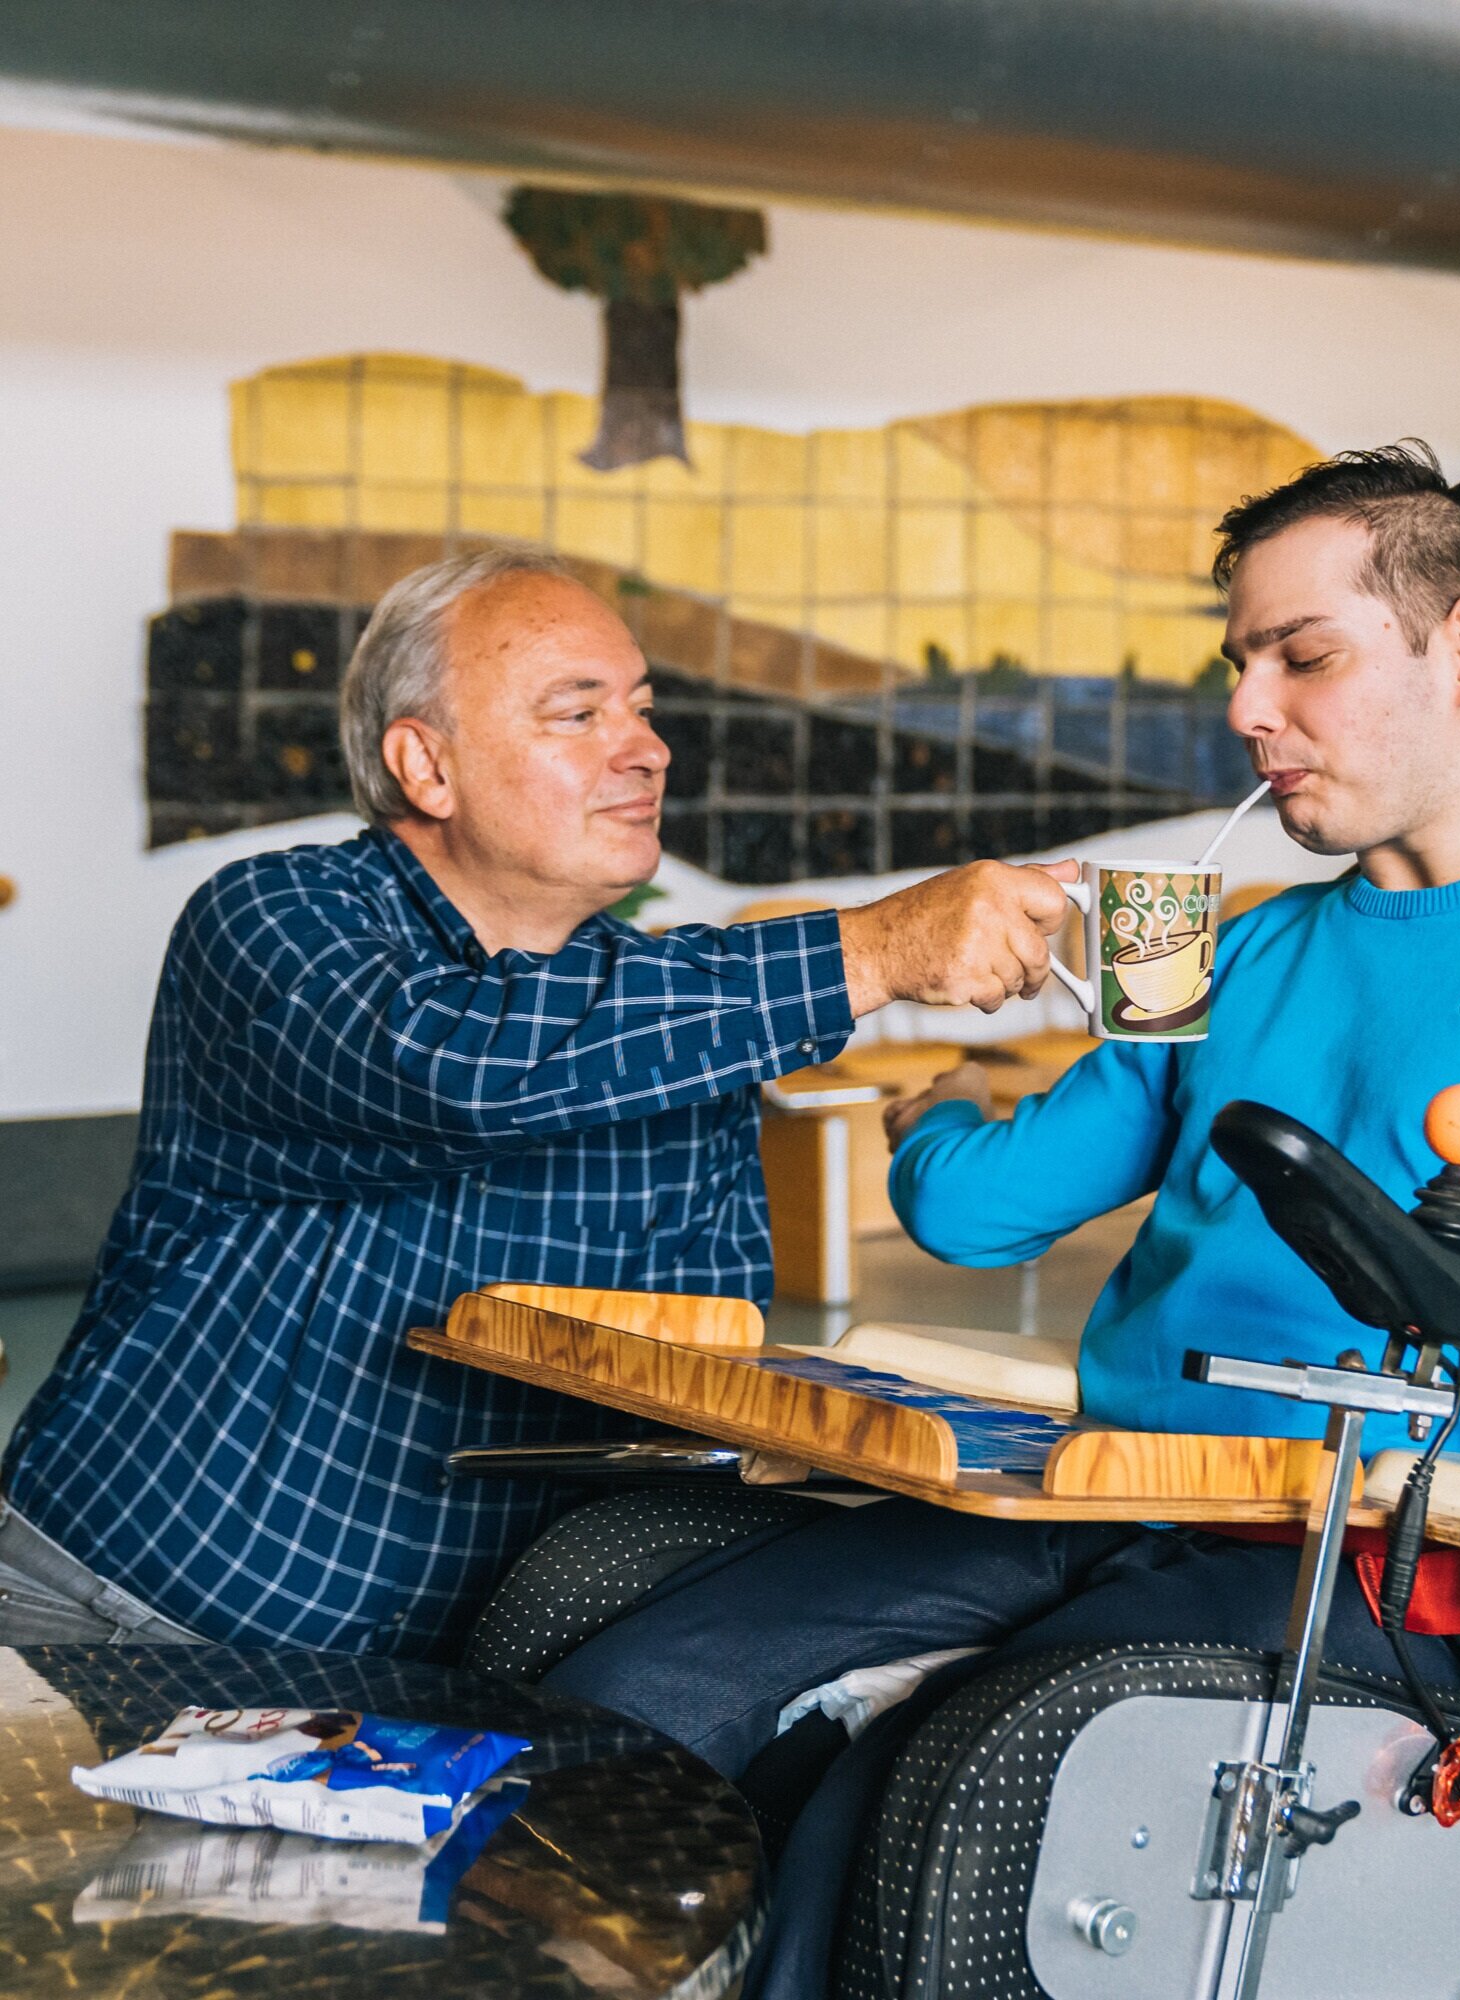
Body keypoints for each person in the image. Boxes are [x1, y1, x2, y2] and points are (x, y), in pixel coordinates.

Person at [537, 443, 1460, 1996]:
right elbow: (975, 1215)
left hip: (1362, 1553)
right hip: (1113, 1489)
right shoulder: (1229, 942)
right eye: (1240, 663)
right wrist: (933, 1110)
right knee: (631, 1698)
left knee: (936, 1797)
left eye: (1302, 656)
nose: (1247, 709)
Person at [0, 548, 1079, 1657]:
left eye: (643, 709)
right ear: (426, 765)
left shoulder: (677, 1027)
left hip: (435, 1680)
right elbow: (453, 1065)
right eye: (579, 714)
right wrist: (871, 948)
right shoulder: (272, 918)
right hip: (122, 1608)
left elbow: (694, 1374)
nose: (648, 748)